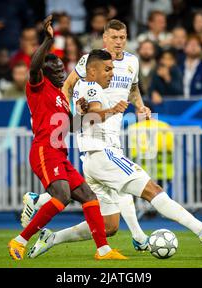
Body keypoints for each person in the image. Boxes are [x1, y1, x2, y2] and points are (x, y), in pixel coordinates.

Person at [24, 21, 202, 259]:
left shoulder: (130, 63)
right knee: (151, 189)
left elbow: (132, 89)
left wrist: (140, 106)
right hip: (102, 149)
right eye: (114, 37)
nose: (119, 41)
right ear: (104, 38)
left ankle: (53, 237)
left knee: (110, 225)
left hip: (99, 153)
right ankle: (201, 229)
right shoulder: (89, 73)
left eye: (122, 37)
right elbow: (75, 91)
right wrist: (69, 109)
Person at [7, 15, 127, 261]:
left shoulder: (62, 98)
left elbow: (70, 126)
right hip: (44, 150)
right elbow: (33, 66)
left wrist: (88, 113)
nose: (63, 72)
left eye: (63, 68)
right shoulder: (38, 87)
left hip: (60, 154)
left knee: (88, 197)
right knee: (61, 195)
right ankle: (19, 240)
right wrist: (48, 40)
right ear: (45, 72)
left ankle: (103, 250)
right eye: (57, 69)